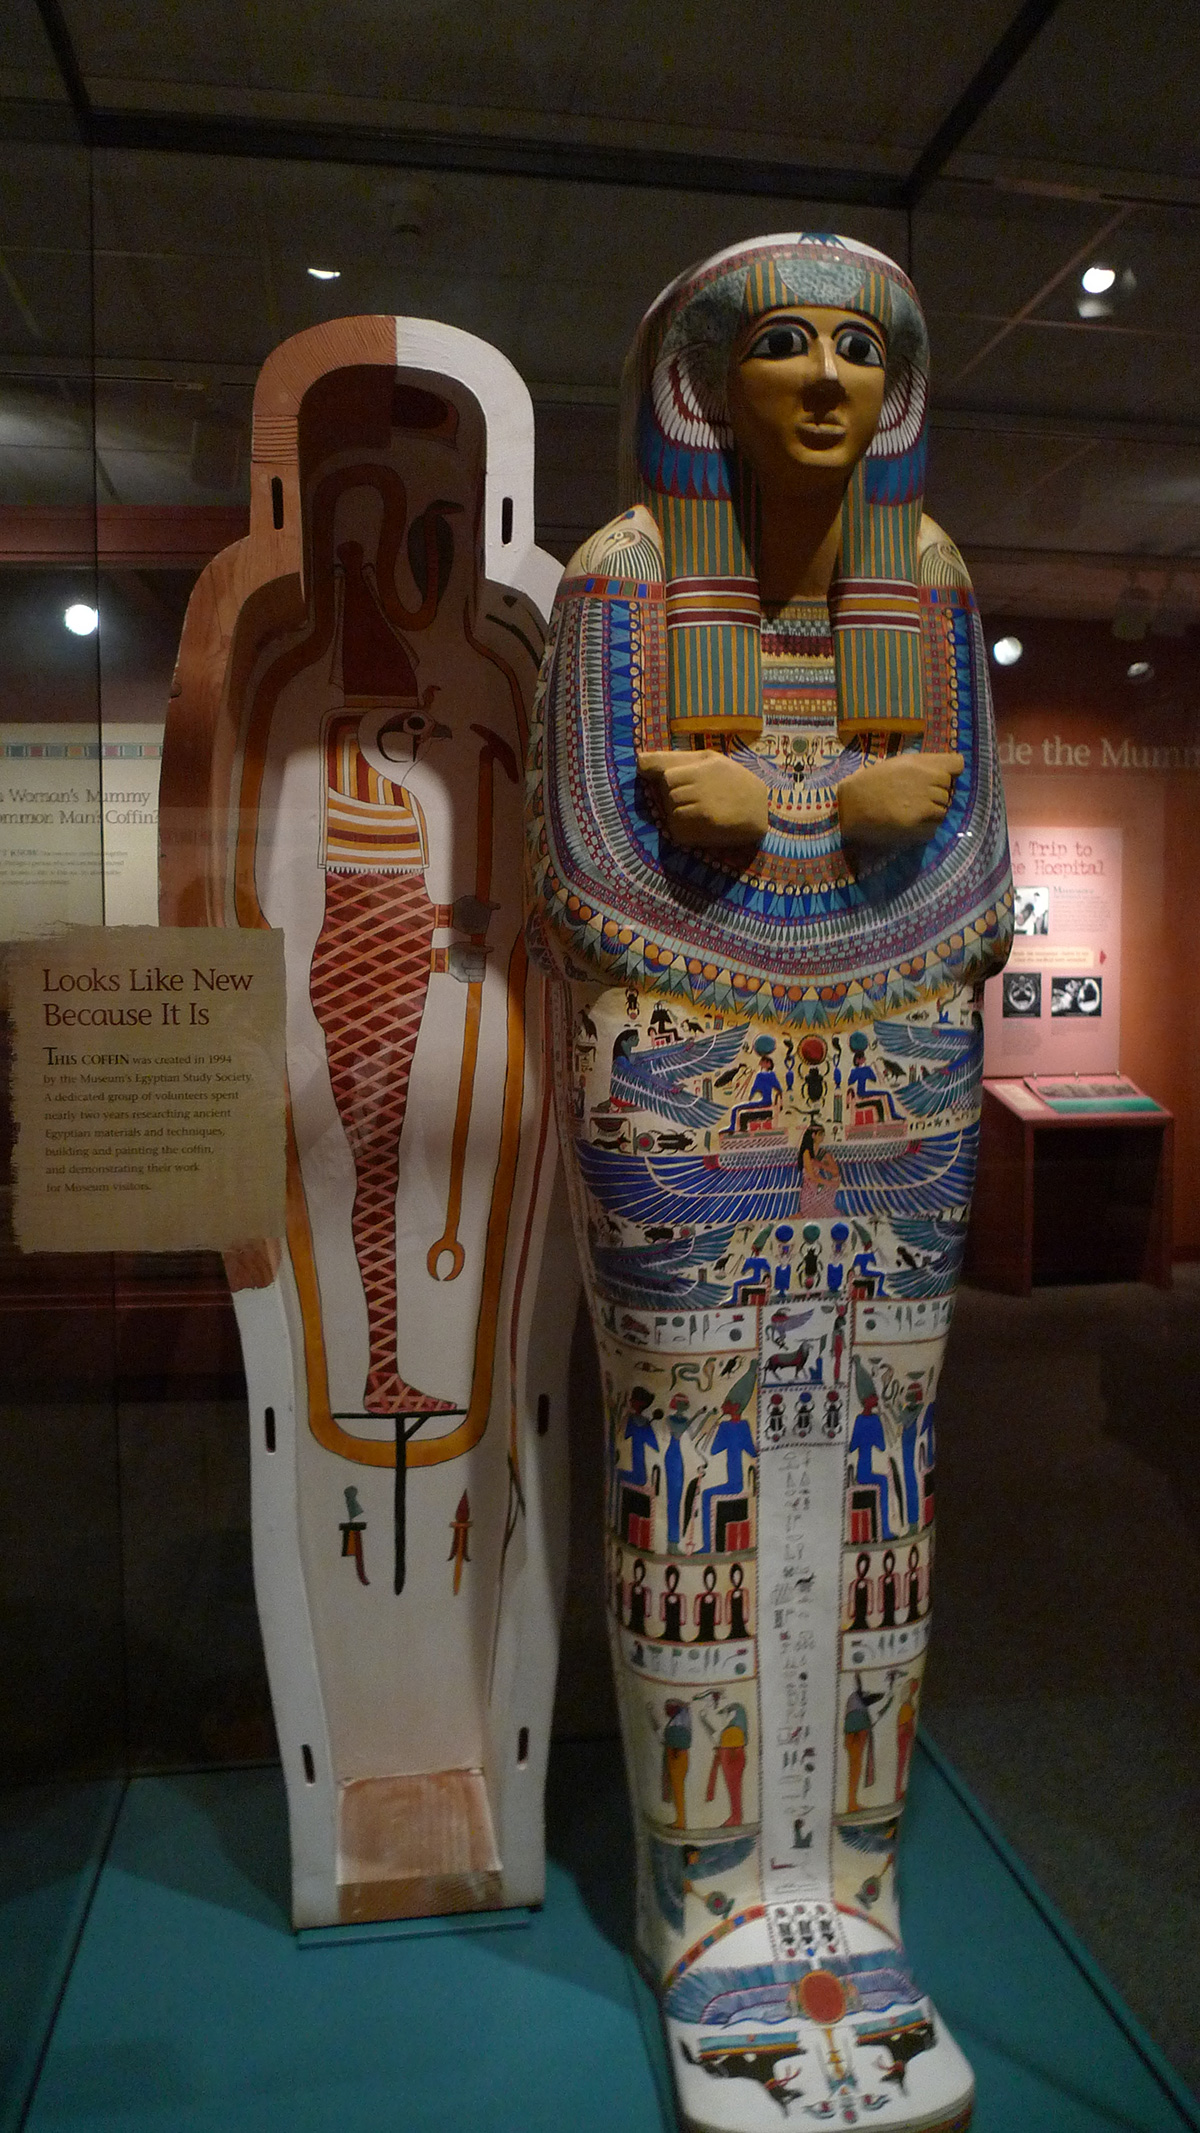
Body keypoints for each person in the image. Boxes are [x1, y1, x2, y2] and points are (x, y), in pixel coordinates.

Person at [527, 231, 1011, 2133]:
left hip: (897, 1094)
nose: (823, 377)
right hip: (680, 1095)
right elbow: (591, 875)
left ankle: (856, 1882)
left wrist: (774, 821)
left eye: (856, 350)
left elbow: (974, 885)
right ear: (705, 383)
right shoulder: (622, 583)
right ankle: (707, 1895)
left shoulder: (933, 580)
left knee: (885, 1460)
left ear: (894, 392)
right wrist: (838, 823)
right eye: (785, 344)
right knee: (688, 1465)